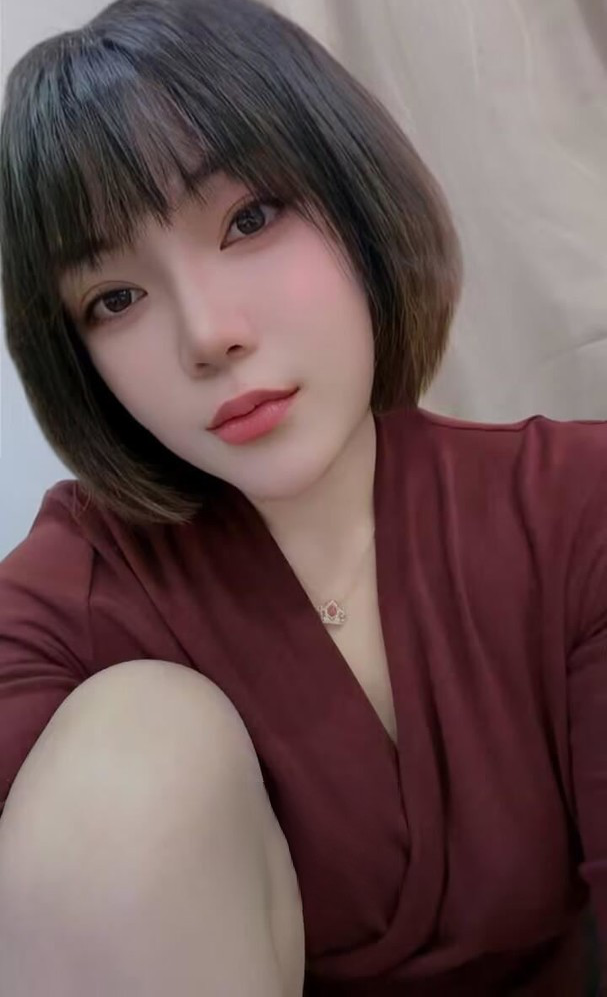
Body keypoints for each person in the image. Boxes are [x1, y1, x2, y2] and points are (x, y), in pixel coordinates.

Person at [0, 0, 605, 992]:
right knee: (136, 736)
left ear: (353, 198)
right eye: (115, 298)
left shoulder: (571, 508)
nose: (208, 334)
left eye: (249, 219)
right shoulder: (77, 593)